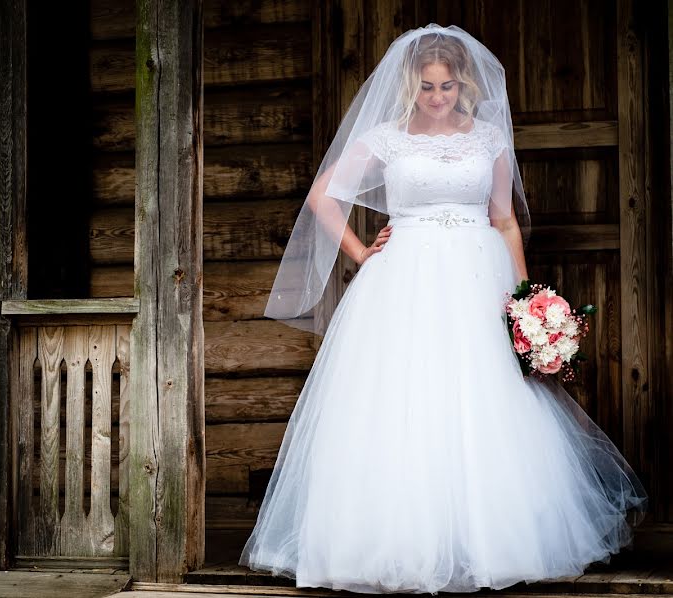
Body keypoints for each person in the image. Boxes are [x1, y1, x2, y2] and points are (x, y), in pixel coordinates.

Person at [238, 24, 648, 595]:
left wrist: (529, 299)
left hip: (479, 276)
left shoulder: (487, 139)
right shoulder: (386, 137)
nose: (437, 97)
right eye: (428, 87)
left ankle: (490, 541)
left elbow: (503, 219)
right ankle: (394, 543)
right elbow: (322, 194)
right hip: (404, 277)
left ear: (464, 85)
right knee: (404, 395)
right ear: (412, 83)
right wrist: (359, 251)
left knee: (486, 397)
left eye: (448, 87)